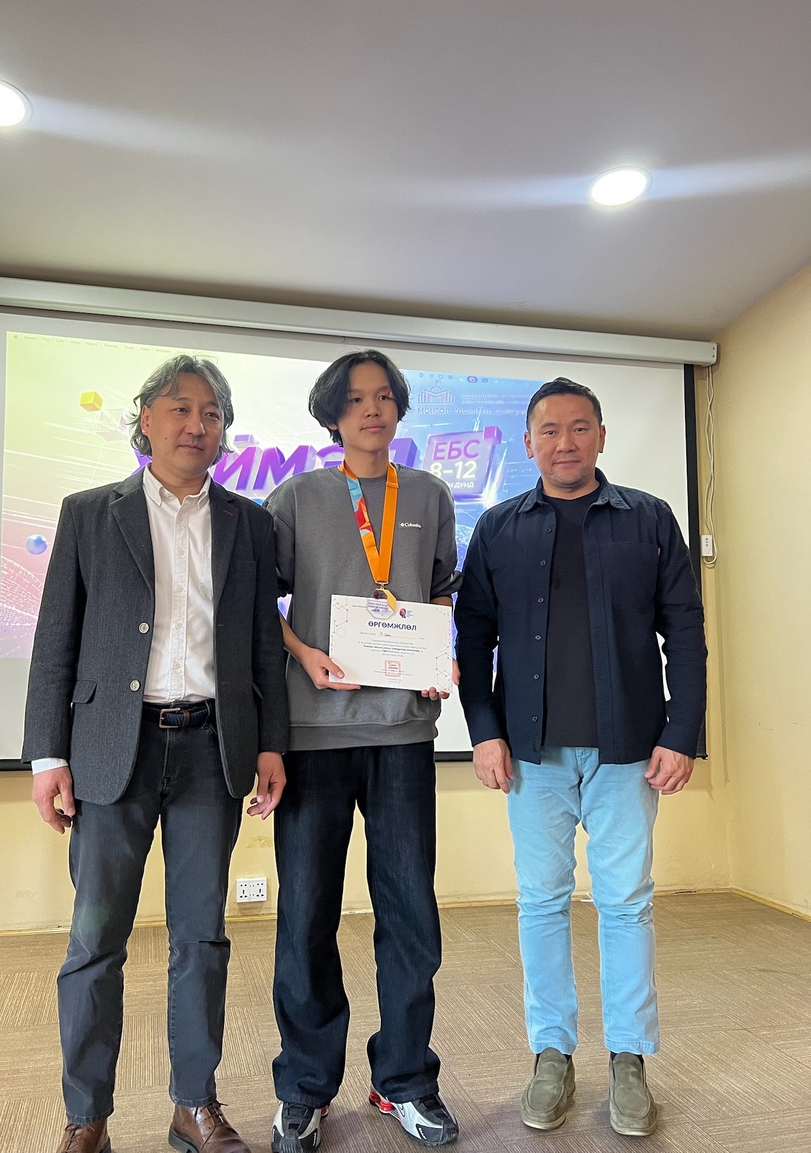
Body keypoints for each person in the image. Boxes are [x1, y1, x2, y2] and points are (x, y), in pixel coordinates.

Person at [23, 355, 289, 1153]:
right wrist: (45, 755)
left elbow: (262, 648)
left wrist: (271, 743)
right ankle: (86, 1117)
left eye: (211, 413)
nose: (196, 424)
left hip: (213, 749)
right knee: (95, 942)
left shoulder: (250, 523)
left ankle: (192, 1104)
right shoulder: (88, 513)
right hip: (113, 750)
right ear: (145, 419)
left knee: (201, 937)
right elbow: (55, 640)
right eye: (180, 408)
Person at [455, 376, 706, 1138]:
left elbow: (685, 632)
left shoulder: (649, 519)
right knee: (541, 903)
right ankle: (552, 1055)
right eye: (549, 430)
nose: (564, 443)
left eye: (579, 428)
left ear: (601, 435)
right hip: (532, 755)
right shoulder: (498, 527)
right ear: (528, 443)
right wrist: (484, 731)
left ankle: (629, 1059)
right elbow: (473, 638)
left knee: (626, 903)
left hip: (629, 750)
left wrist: (681, 732)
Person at [263, 350, 461, 1151]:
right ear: (332, 414)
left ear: (399, 408)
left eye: (383, 397)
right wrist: (304, 654)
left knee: (409, 912)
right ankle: (306, 1088)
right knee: (306, 914)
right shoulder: (297, 496)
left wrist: (439, 649)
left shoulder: (430, 495)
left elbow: (441, 588)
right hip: (314, 733)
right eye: (354, 399)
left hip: (403, 731)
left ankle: (405, 1080)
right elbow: (258, 599)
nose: (371, 410)